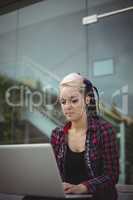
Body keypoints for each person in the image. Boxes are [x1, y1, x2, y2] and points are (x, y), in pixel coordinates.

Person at [51, 73, 119, 200]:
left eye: (74, 100)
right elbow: (53, 174)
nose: (67, 106)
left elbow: (112, 175)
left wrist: (83, 187)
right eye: (63, 101)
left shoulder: (104, 131)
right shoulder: (57, 134)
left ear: (87, 99)